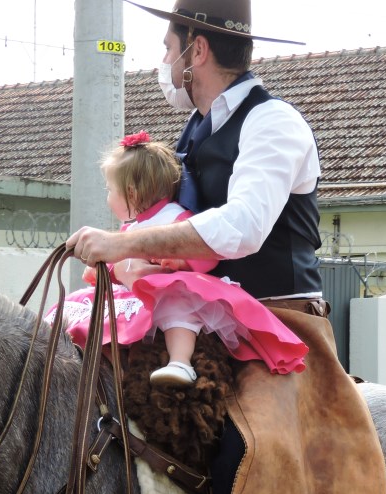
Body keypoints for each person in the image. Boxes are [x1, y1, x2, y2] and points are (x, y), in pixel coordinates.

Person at [67, 0, 335, 494]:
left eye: (169, 43)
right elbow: (163, 219)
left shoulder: (275, 123)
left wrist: (127, 246)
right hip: (199, 322)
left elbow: (242, 229)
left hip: (278, 326)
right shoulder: (190, 131)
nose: (162, 57)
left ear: (198, 51)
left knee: (232, 452)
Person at [48, 131, 308, 386]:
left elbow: (206, 257)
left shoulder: (175, 219)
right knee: (81, 306)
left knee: (178, 305)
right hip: (133, 296)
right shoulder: (131, 228)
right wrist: (104, 272)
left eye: (109, 190)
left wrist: (181, 262)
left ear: (132, 194)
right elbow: (125, 266)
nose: (107, 198)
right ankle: (97, 372)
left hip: (163, 294)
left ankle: (180, 362)